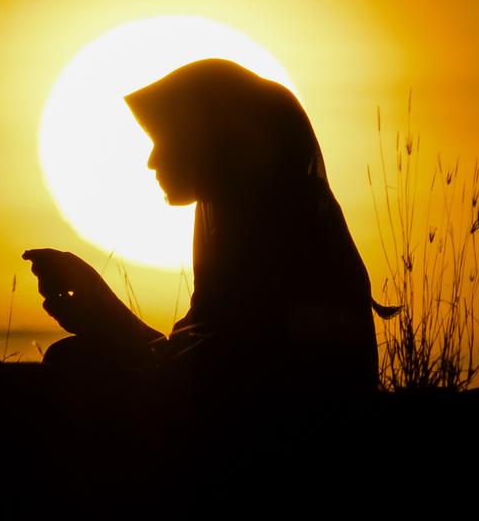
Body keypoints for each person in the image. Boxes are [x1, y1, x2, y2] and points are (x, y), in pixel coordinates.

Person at [23, 58, 379, 399]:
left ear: (213, 143)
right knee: (75, 357)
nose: (152, 160)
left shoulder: (288, 244)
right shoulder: (237, 225)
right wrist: (102, 308)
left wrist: (108, 318)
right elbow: (184, 357)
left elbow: (216, 379)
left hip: (278, 440)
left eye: (168, 139)